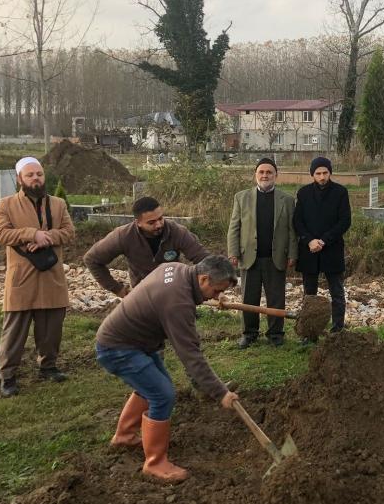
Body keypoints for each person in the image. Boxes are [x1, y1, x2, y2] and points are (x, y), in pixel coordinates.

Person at [95, 254, 240, 482]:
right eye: (216, 291)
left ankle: (124, 436)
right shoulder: (178, 302)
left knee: (151, 388)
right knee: (162, 395)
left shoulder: (177, 269)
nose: (217, 296)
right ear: (203, 279)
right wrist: (220, 392)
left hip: (136, 342)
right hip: (119, 348)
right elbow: (191, 355)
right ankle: (155, 464)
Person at [0, 156, 75, 398]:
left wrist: (46, 237)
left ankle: (48, 367)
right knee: (14, 330)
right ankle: (8, 377)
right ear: (20, 179)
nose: (35, 178)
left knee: (51, 328)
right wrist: (31, 235)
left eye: (39, 174)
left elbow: (69, 232)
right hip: (22, 279)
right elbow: (1, 234)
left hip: (51, 276)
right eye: (30, 175)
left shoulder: (58, 204)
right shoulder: (6, 205)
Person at [226, 158, 297, 349]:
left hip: (276, 257)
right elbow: (234, 227)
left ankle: (275, 334)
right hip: (249, 257)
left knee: (276, 298)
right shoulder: (241, 197)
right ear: (255, 174)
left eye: (269, 172)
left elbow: (292, 230)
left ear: (276, 175)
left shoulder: (288, 200)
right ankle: (249, 334)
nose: (265, 175)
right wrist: (233, 252)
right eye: (261, 172)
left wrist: (292, 253)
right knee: (249, 297)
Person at [83, 195, 208, 297]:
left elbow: (204, 259)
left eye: (160, 218)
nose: (159, 225)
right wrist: (118, 289)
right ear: (138, 223)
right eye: (151, 222)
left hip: (173, 289)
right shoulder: (123, 236)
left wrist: (210, 286)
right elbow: (92, 259)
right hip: (141, 293)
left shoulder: (177, 232)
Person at [293, 157, 352, 334]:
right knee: (309, 294)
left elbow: (344, 221)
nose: (322, 177)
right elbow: (297, 221)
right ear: (312, 175)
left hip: (332, 248)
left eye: (325, 172)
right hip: (308, 249)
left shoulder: (340, 192)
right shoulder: (303, 194)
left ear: (330, 173)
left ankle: (337, 329)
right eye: (318, 173)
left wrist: (324, 240)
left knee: (337, 292)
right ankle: (309, 332)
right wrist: (309, 240)